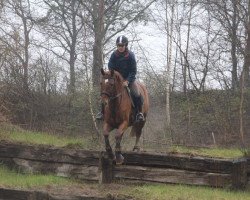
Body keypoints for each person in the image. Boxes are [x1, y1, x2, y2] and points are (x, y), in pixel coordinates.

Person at [96, 35, 144, 122]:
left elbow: (133, 71)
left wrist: (128, 81)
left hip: (129, 79)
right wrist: (111, 75)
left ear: (126, 45)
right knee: (105, 92)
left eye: (122, 45)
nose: (120, 47)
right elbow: (111, 67)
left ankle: (139, 113)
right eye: (118, 45)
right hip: (116, 80)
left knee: (136, 93)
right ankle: (102, 112)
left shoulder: (130, 56)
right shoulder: (114, 55)